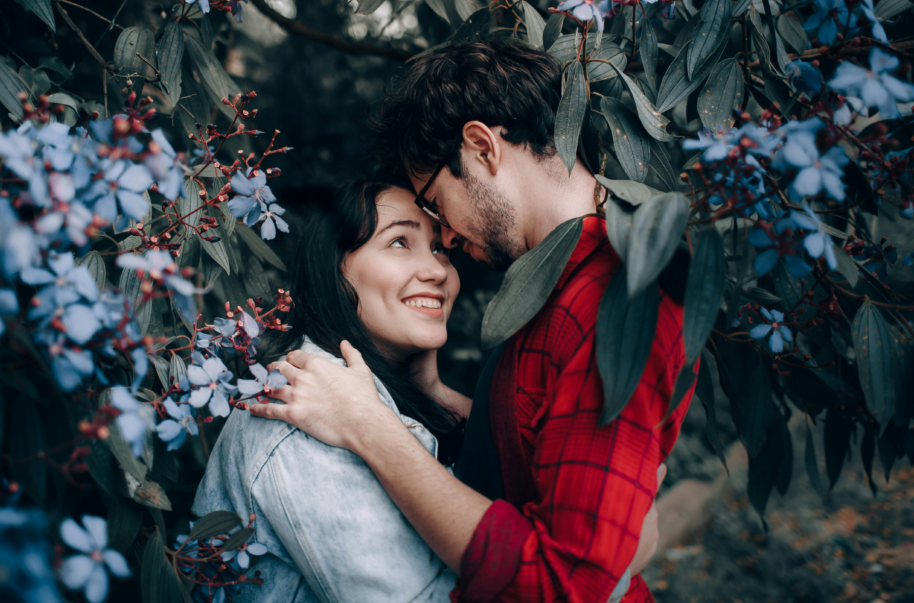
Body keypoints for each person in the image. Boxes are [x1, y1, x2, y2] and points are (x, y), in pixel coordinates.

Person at [247, 39, 693, 603]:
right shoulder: (549, 291)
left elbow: (568, 587)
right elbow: (529, 453)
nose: (449, 241)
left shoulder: (615, 299)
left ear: (482, 148)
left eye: (435, 204)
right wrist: (424, 392)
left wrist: (371, 428)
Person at [193, 178, 662, 602]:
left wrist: (428, 388)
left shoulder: (392, 403)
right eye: (400, 241)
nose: (437, 270)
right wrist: (605, 568)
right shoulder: (304, 409)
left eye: (441, 250)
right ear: (333, 270)